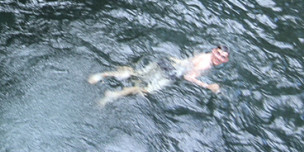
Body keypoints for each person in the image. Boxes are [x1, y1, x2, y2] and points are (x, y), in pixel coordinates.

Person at [89, 46, 229, 105]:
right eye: (218, 53)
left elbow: (187, 63)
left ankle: (102, 75)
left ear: (225, 60)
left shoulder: (205, 55)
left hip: (166, 62)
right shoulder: (207, 65)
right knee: (145, 90)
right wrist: (207, 86)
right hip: (171, 73)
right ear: (213, 51)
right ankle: (113, 95)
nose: (219, 58)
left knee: (136, 74)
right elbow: (188, 77)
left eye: (222, 57)